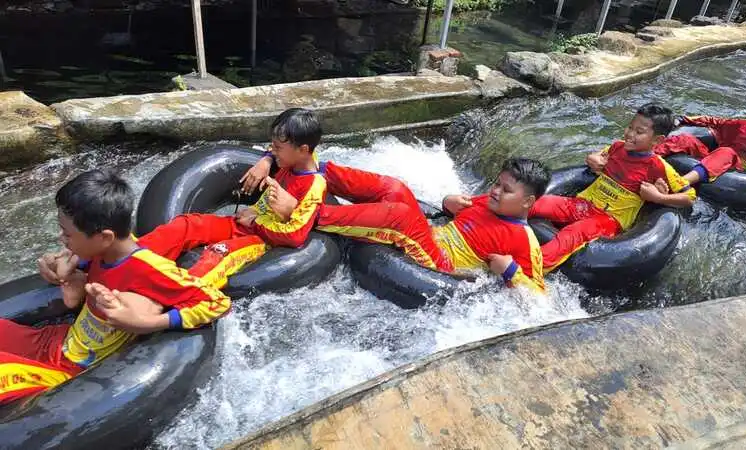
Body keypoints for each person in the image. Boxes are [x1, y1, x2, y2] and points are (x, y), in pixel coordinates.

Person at [0, 170, 231, 405]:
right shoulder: (101, 252)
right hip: (57, 342)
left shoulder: (148, 269)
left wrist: (147, 323)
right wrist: (62, 271)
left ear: (104, 237)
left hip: (72, 373)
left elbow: (216, 302)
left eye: (67, 233)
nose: (62, 239)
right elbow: (76, 263)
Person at [243, 155, 550, 294]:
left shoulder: (524, 240)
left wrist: (510, 271)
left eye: (506, 190)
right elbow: (459, 213)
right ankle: (313, 168)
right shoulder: (489, 201)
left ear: (527, 202)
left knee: (399, 216)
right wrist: (447, 204)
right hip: (432, 237)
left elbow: (539, 299)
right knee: (397, 189)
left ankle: (300, 211)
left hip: (442, 265)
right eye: (497, 183)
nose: (495, 191)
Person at [145, 108, 327, 290]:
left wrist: (255, 222)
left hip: (264, 241)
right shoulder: (295, 159)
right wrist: (267, 160)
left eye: (277, 148)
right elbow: (287, 151)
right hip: (245, 223)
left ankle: (172, 299)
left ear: (303, 150)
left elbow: (295, 236)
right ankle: (130, 260)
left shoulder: (314, 185)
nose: (273, 150)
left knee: (218, 255)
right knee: (188, 224)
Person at [533, 103, 696, 273]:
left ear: (658, 140)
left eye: (639, 132)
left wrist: (658, 198)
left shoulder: (659, 167)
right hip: (581, 204)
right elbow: (597, 156)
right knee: (536, 203)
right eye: (630, 127)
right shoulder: (617, 147)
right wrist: (592, 158)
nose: (630, 134)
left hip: (608, 220)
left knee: (574, 233)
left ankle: (530, 269)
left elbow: (689, 197)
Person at [656, 89, 746, 190]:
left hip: (742, 177)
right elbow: (715, 122)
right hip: (714, 161)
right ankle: (646, 159)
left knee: (726, 152)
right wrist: (682, 120)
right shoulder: (744, 126)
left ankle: (682, 182)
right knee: (684, 139)